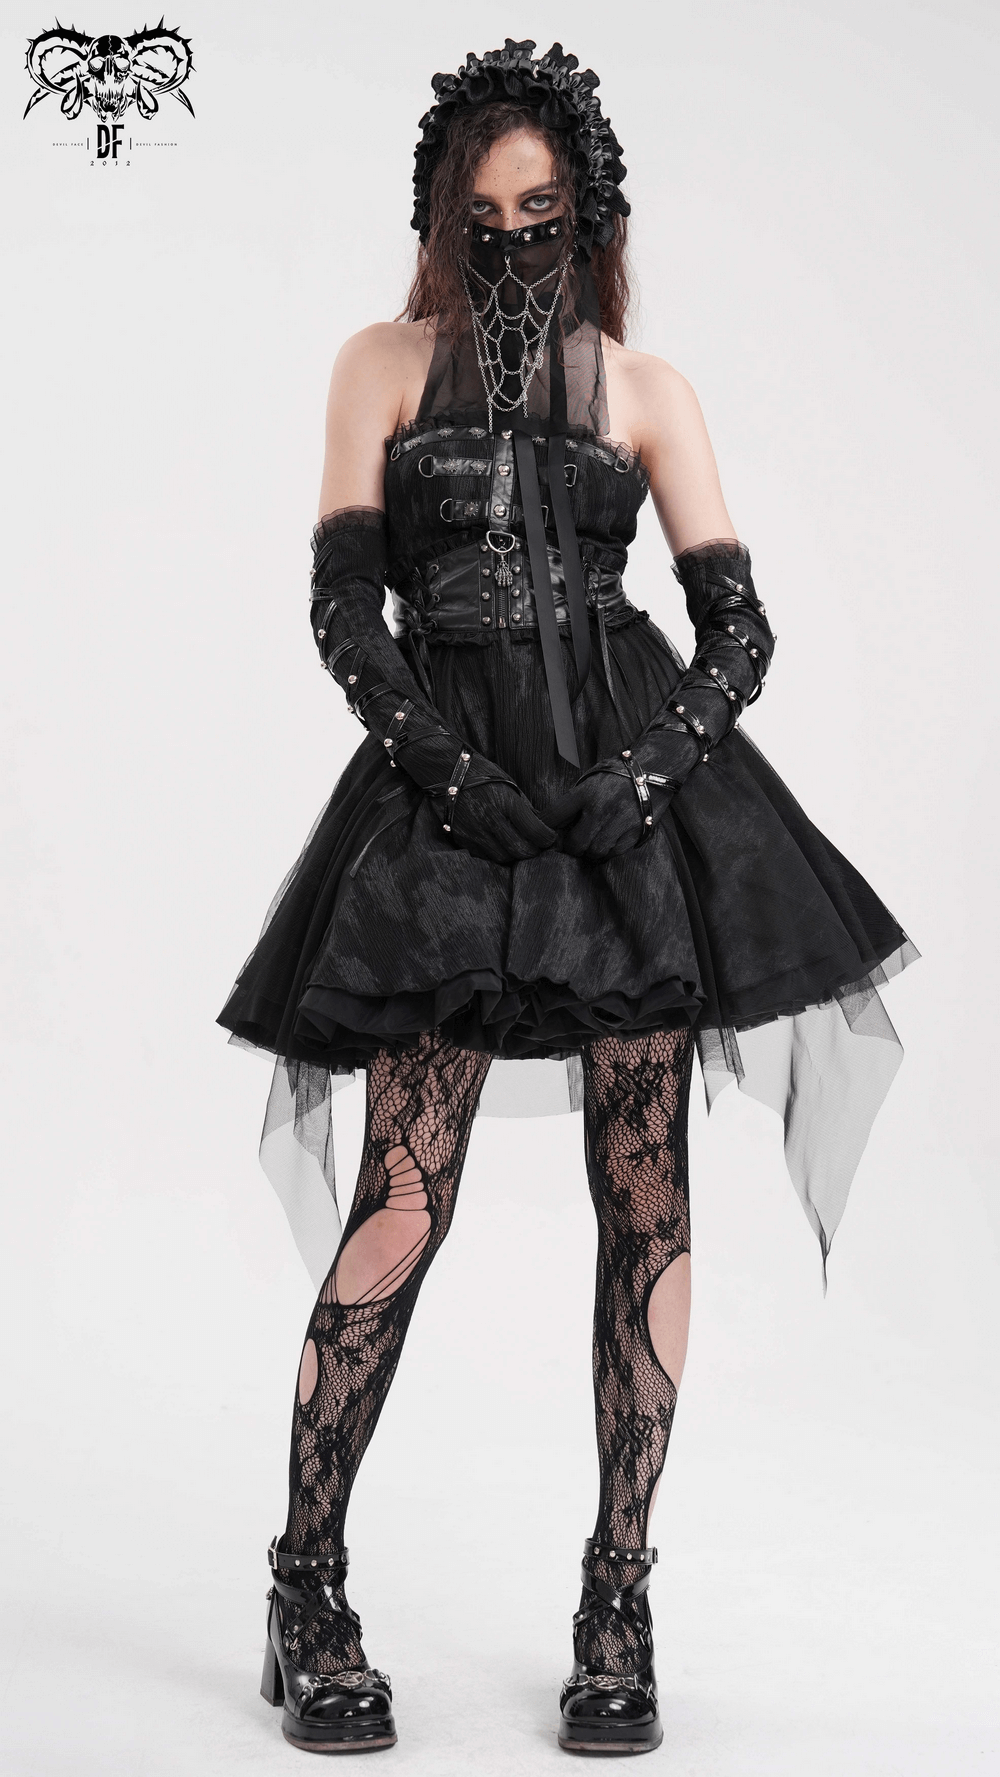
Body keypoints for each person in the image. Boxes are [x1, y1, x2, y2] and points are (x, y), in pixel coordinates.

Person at [217, 39, 917, 1758]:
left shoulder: (649, 388)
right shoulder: (379, 363)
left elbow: (738, 629)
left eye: (542, 212)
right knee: (405, 1199)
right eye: (485, 213)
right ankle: (305, 1587)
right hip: (446, 802)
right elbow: (344, 610)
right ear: (440, 216)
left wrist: (653, 770)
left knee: (648, 1203)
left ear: (589, 214)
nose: (515, 240)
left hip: (624, 805)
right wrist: (448, 773)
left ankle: (620, 1597)